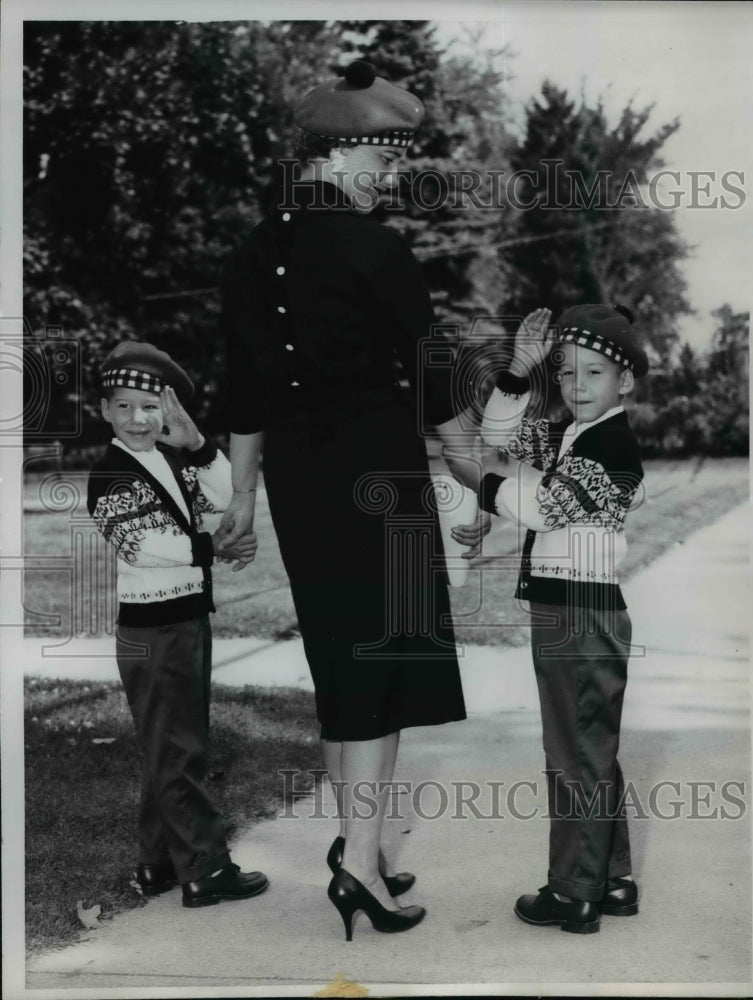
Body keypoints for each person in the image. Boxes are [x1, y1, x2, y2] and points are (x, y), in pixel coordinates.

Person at [216, 61, 486, 940]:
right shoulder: (374, 248)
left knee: (343, 662)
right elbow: (431, 364)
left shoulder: (254, 252)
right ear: (332, 158)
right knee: (381, 665)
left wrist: (245, 497)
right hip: (376, 473)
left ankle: (355, 846)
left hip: (298, 479)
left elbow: (245, 390)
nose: (389, 180)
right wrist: (466, 463)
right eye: (379, 163)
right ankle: (362, 869)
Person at [476, 304, 647, 934]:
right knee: (590, 748)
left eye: (593, 374)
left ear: (624, 382)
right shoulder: (572, 432)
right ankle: (612, 877)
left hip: (577, 613)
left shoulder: (610, 443)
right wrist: (519, 373)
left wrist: (484, 487)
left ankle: (573, 892)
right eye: (567, 373)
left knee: (572, 752)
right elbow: (497, 437)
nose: (576, 386)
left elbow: (547, 507)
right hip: (570, 606)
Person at [87, 341, 269, 908]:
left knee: (167, 746)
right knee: (179, 749)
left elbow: (223, 500)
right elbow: (146, 546)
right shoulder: (111, 476)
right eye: (124, 407)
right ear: (104, 411)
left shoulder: (170, 461)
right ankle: (205, 868)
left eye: (150, 407)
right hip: (155, 631)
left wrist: (197, 445)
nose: (138, 419)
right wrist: (215, 546)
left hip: (184, 619)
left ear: (168, 412)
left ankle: (157, 862)